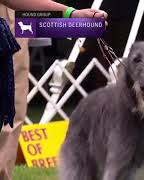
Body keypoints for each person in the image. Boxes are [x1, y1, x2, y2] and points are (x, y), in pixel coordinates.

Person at [0, 1, 107, 179]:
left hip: (13, 17)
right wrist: (69, 15)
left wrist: (68, 20)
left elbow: (25, 15)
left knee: (10, 117)